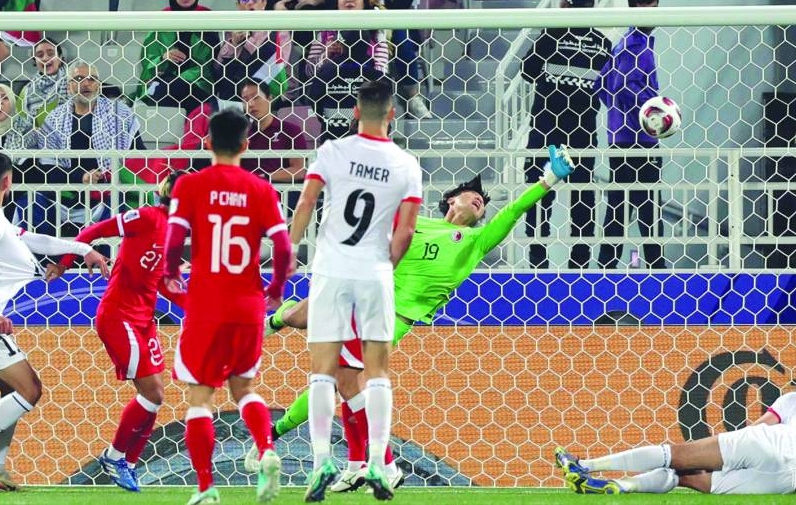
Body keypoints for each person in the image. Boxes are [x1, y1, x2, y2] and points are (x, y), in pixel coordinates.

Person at [254, 147, 577, 491]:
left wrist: (549, 179)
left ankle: (283, 435)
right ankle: (354, 460)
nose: (480, 201)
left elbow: (514, 210)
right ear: (452, 200)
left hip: (395, 316)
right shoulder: (417, 224)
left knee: (338, 379)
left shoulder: (475, 240)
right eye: (473, 196)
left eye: (483, 202)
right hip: (366, 295)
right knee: (327, 353)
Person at [288, 78, 422, 501]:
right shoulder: (406, 164)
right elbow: (406, 229)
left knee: (322, 372)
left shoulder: (332, 151)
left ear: (355, 113)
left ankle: (321, 461)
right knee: (376, 371)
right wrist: (385, 265)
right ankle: (380, 464)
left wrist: (289, 250)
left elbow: (307, 202)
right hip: (373, 271)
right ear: (393, 115)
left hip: (330, 269)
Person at [0, 151, 109, 492]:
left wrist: (81, 249)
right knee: (30, 389)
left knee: (12, 391)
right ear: (8, 181)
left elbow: (30, 239)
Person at [161, 109, 293, 505]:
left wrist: (170, 272)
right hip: (248, 305)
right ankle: (266, 449)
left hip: (206, 304)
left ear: (206, 142)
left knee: (200, 398)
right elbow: (284, 249)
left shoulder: (191, 186)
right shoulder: (260, 189)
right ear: (246, 144)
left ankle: (206, 489)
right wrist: (275, 289)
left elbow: (173, 241)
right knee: (245, 388)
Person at [554, 361, 796, 495]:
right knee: (687, 479)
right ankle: (620, 488)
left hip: (777, 443)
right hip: (792, 481)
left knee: (677, 457)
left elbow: (763, 425)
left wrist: (732, 450)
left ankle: (588, 467)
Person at [45, 171, 189, 493]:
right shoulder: (147, 217)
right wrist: (65, 262)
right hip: (118, 316)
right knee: (151, 393)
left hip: (144, 319)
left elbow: (168, 283)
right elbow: (94, 230)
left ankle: (127, 463)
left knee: (156, 397)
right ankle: (114, 457)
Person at [523, 0, 611, 268]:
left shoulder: (551, 36)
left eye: (563, 2)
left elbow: (527, 71)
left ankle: (537, 258)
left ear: (569, 5)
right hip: (583, 132)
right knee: (583, 195)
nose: (559, 6)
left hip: (547, 129)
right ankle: (580, 263)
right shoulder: (603, 43)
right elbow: (607, 88)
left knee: (538, 192)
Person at [32, 61, 145, 235]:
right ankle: (48, 262)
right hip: (67, 193)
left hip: (108, 191)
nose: (86, 83)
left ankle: (111, 261)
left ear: (98, 85)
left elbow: (138, 157)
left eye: (92, 79)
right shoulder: (54, 119)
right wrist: (81, 177)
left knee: (119, 207)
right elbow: (47, 169)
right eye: (78, 78)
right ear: (69, 86)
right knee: (31, 204)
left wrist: (110, 174)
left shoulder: (120, 114)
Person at [596, 0, 664, 269]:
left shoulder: (625, 43)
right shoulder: (637, 45)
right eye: (654, 8)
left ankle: (606, 266)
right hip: (638, 140)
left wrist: (616, 115)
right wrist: (653, 111)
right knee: (647, 207)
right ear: (640, 7)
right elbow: (624, 85)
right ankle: (656, 269)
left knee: (620, 206)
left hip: (621, 138)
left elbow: (602, 84)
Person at [304, 0, 389, 142]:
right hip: (334, 115)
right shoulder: (324, 33)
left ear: (364, 2)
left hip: (368, 112)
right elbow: (310, 72)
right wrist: (327, 56)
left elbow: (381, 69)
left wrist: (354, 59)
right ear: (337, 2)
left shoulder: (376, 32)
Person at [137, 0, 218, 113]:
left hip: (197, 85)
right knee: (161, 88)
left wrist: (180, 78)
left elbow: (211, 65)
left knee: (166, 88)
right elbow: (147, 58)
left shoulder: (207, 21)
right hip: (163, 81)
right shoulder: (162, 21)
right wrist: (164, 58)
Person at [214, 0, 293, 101]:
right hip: (236, 88)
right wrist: (233, 44)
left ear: (264, 3)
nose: (250, 3)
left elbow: (279, 63)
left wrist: (248, 42)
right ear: (239, 6)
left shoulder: (278, 28)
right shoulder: (233, 30)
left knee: (268, 49)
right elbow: (218, 66)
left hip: (268, 87)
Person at [240, 79, 310, 184]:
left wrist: (264, 177)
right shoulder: (242, 135)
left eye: (256, 97)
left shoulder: (290, 130)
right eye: (245, 100)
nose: (251, 104)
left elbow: (299, 171)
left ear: (269, 99)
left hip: (280, 195)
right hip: (249, 194)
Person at [16, 38, 68, 128]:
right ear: (35, 61)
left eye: (51, 54)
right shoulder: (26, 91)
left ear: (60, 58)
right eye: (40, 55)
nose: (45, 58)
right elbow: (19, 124)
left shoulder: (73, 84)